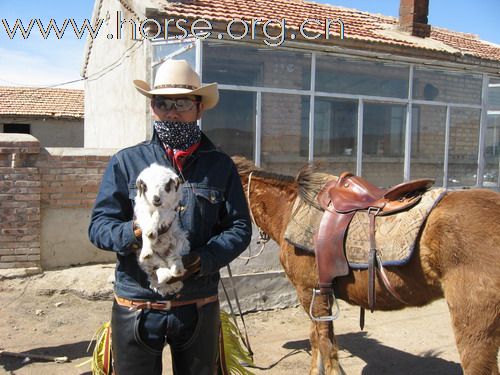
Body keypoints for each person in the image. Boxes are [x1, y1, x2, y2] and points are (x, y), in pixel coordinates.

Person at [88, 59, 252, 375]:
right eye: (162, 103)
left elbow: (239, 227)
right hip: (137, 305)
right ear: (152, 108)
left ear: (199, 108)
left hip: (197, 305)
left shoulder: (220, 166)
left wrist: (203, 259)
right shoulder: (126, 162)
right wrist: (136, 231)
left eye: (182, 103)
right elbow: (98, 227)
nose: (172, 112)